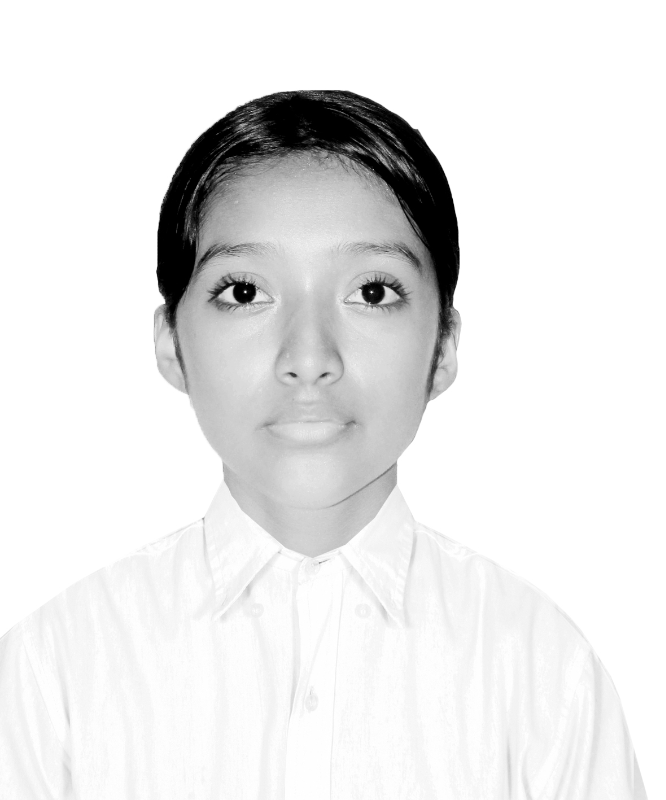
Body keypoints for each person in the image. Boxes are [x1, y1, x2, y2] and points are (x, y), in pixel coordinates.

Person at [0, 90, 647, 799]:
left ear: (443, 347)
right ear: (169, 343)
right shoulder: (52, 673)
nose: (309, 358)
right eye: (243, 292)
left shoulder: (543, 672)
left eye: (372, 292)